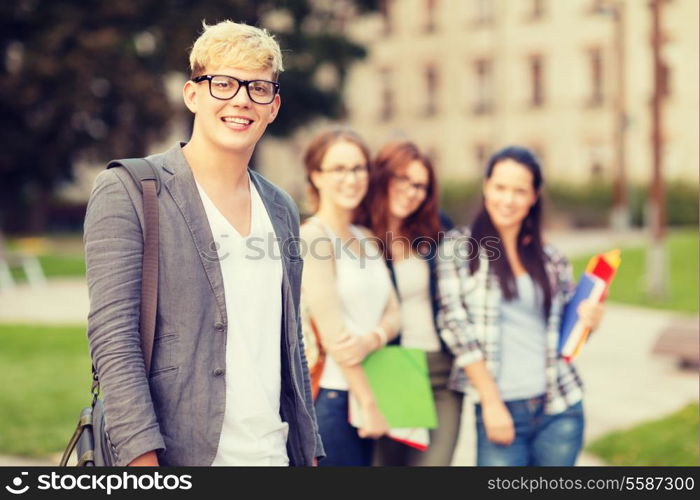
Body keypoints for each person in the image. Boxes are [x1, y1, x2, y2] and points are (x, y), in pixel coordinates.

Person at [83, 20, 323, 466]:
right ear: (193, 94)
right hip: (181, 458)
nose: (241, 100)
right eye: (224, 83)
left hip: (274, 455)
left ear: (273, 107)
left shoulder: (282, 207)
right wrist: (142, 461)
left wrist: (307, 450)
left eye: (257, 89)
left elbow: (290, 341)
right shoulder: (131, 189)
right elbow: (114, 338)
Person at [436, 146, 605, 466]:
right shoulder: (458, 249)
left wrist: (589, 323)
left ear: (534, 197)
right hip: (501, 406)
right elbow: (454, 326)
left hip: (560, 406)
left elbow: (563, 333)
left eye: (520, 191)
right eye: (500, 188)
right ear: (486, 187)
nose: (508, 199)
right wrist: (491, 402)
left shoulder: (551, 258)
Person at [354, 141, 461, 466]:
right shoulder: (358, 234)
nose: (411, 192)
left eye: (421, 186)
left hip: (442, 371)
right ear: (382, 177)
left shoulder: (436, 229)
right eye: (403, 180)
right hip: (389, 368)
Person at [299, 128, 401, 466]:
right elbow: (335, 336)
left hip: (376, 387)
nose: (351, 178)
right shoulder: (314, 237)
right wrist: (368, 404)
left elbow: (394, 314)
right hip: (335, 397)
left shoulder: (367, 237)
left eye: (358, 168)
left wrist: (371, 340)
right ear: (316, 176)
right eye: (339, 169)